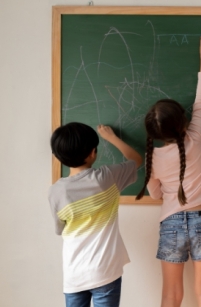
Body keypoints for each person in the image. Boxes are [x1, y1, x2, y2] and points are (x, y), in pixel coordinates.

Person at [136, 34, 201, 307]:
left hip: (170, 223)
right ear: (183, 123)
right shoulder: (194, 138)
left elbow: (155, 195)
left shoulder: (153, 158)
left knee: (171, 295)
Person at [48, 122, 142, 307]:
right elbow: (136, 160)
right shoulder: (107, 178)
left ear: (59, 157)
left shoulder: (55, 192)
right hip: (105, 271)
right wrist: (112, 138)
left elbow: (60, 229)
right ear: (93, 153)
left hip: (74, 273)